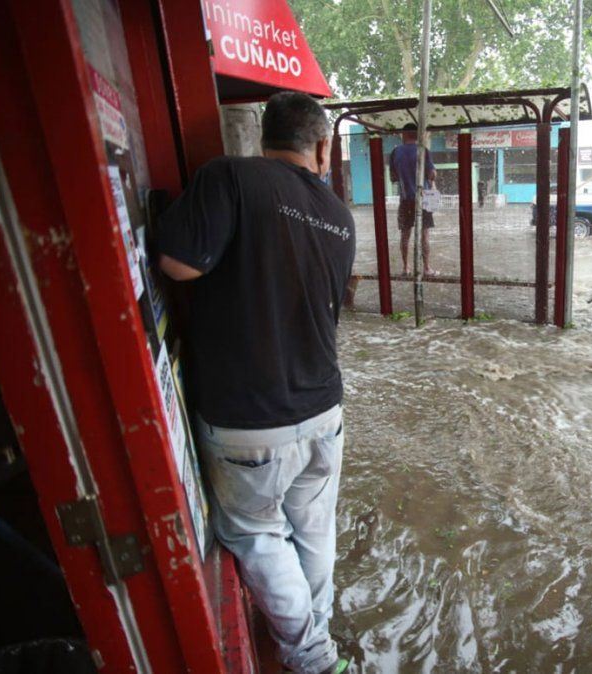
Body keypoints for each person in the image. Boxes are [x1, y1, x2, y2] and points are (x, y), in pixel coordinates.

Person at [157, 92, 354, 674]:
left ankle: (313, 657)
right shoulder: (340, 216)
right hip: (323, 409)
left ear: (264, 136)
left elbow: (177, 263)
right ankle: (316, 638)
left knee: (257, 533)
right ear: (323, 146)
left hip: (248, 421)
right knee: (314, 529)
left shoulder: (230, 177)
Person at [389, 123, 437, 276]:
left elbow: (393, 177)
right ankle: (427, 268)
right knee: (424, 234)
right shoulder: (423, 151)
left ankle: (405, 268)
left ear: (403, 134)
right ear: (417, 135)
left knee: (405, 235)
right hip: (423, 198)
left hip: (405, 200)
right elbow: (432, 174)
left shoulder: (395, 152)